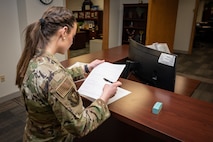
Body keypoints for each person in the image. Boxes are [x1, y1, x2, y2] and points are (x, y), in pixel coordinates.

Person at [15, 6, 122, 142]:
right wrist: (104, 97)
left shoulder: (35, 59)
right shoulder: (56, 76)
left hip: (32, 136)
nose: (72, 40)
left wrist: (87, 68)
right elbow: (80, 126)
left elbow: (51, 78)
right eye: (73, 35)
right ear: (64, 32)